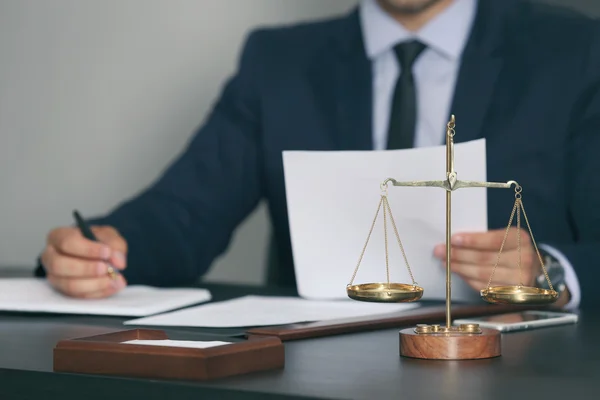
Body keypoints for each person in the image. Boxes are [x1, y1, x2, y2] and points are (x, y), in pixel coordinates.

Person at [37, 0, 600, 309]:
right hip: (320, 373)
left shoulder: (574, 52)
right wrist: (104, 248)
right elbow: (182, 213)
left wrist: (551, 271)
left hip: (520, 374)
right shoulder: (278, 61)